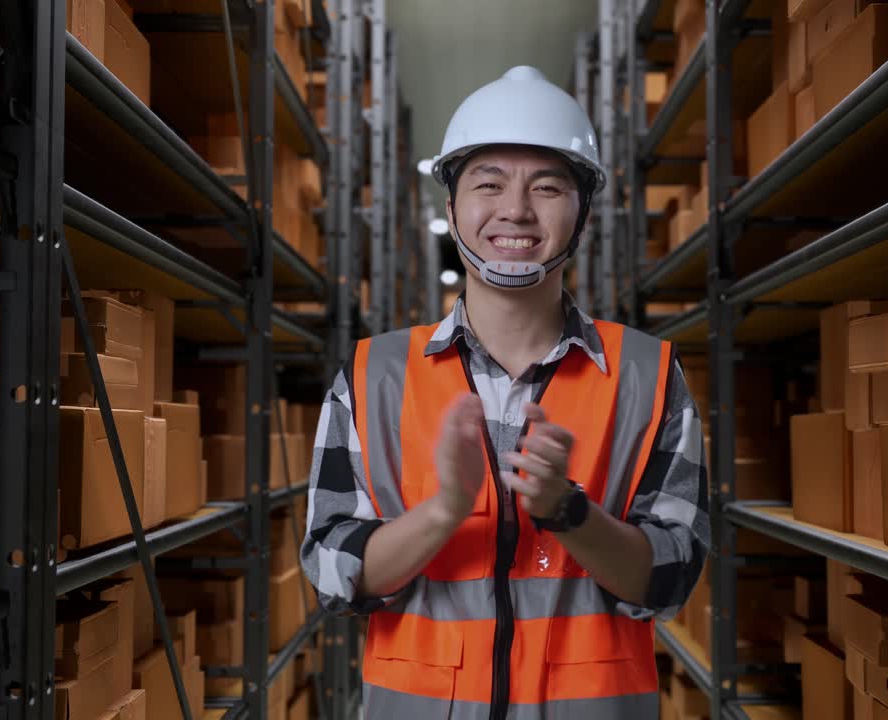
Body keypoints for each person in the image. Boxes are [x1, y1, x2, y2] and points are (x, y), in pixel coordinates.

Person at [302, 65, 709, 719]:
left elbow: (673, 576)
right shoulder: (372, 375)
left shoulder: (648, 375)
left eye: (547, 188)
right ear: (452, 207)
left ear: (583, 214)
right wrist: (443, 512)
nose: (516, 210)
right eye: (488, 184)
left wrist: (567, 511)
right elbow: (331, 572)